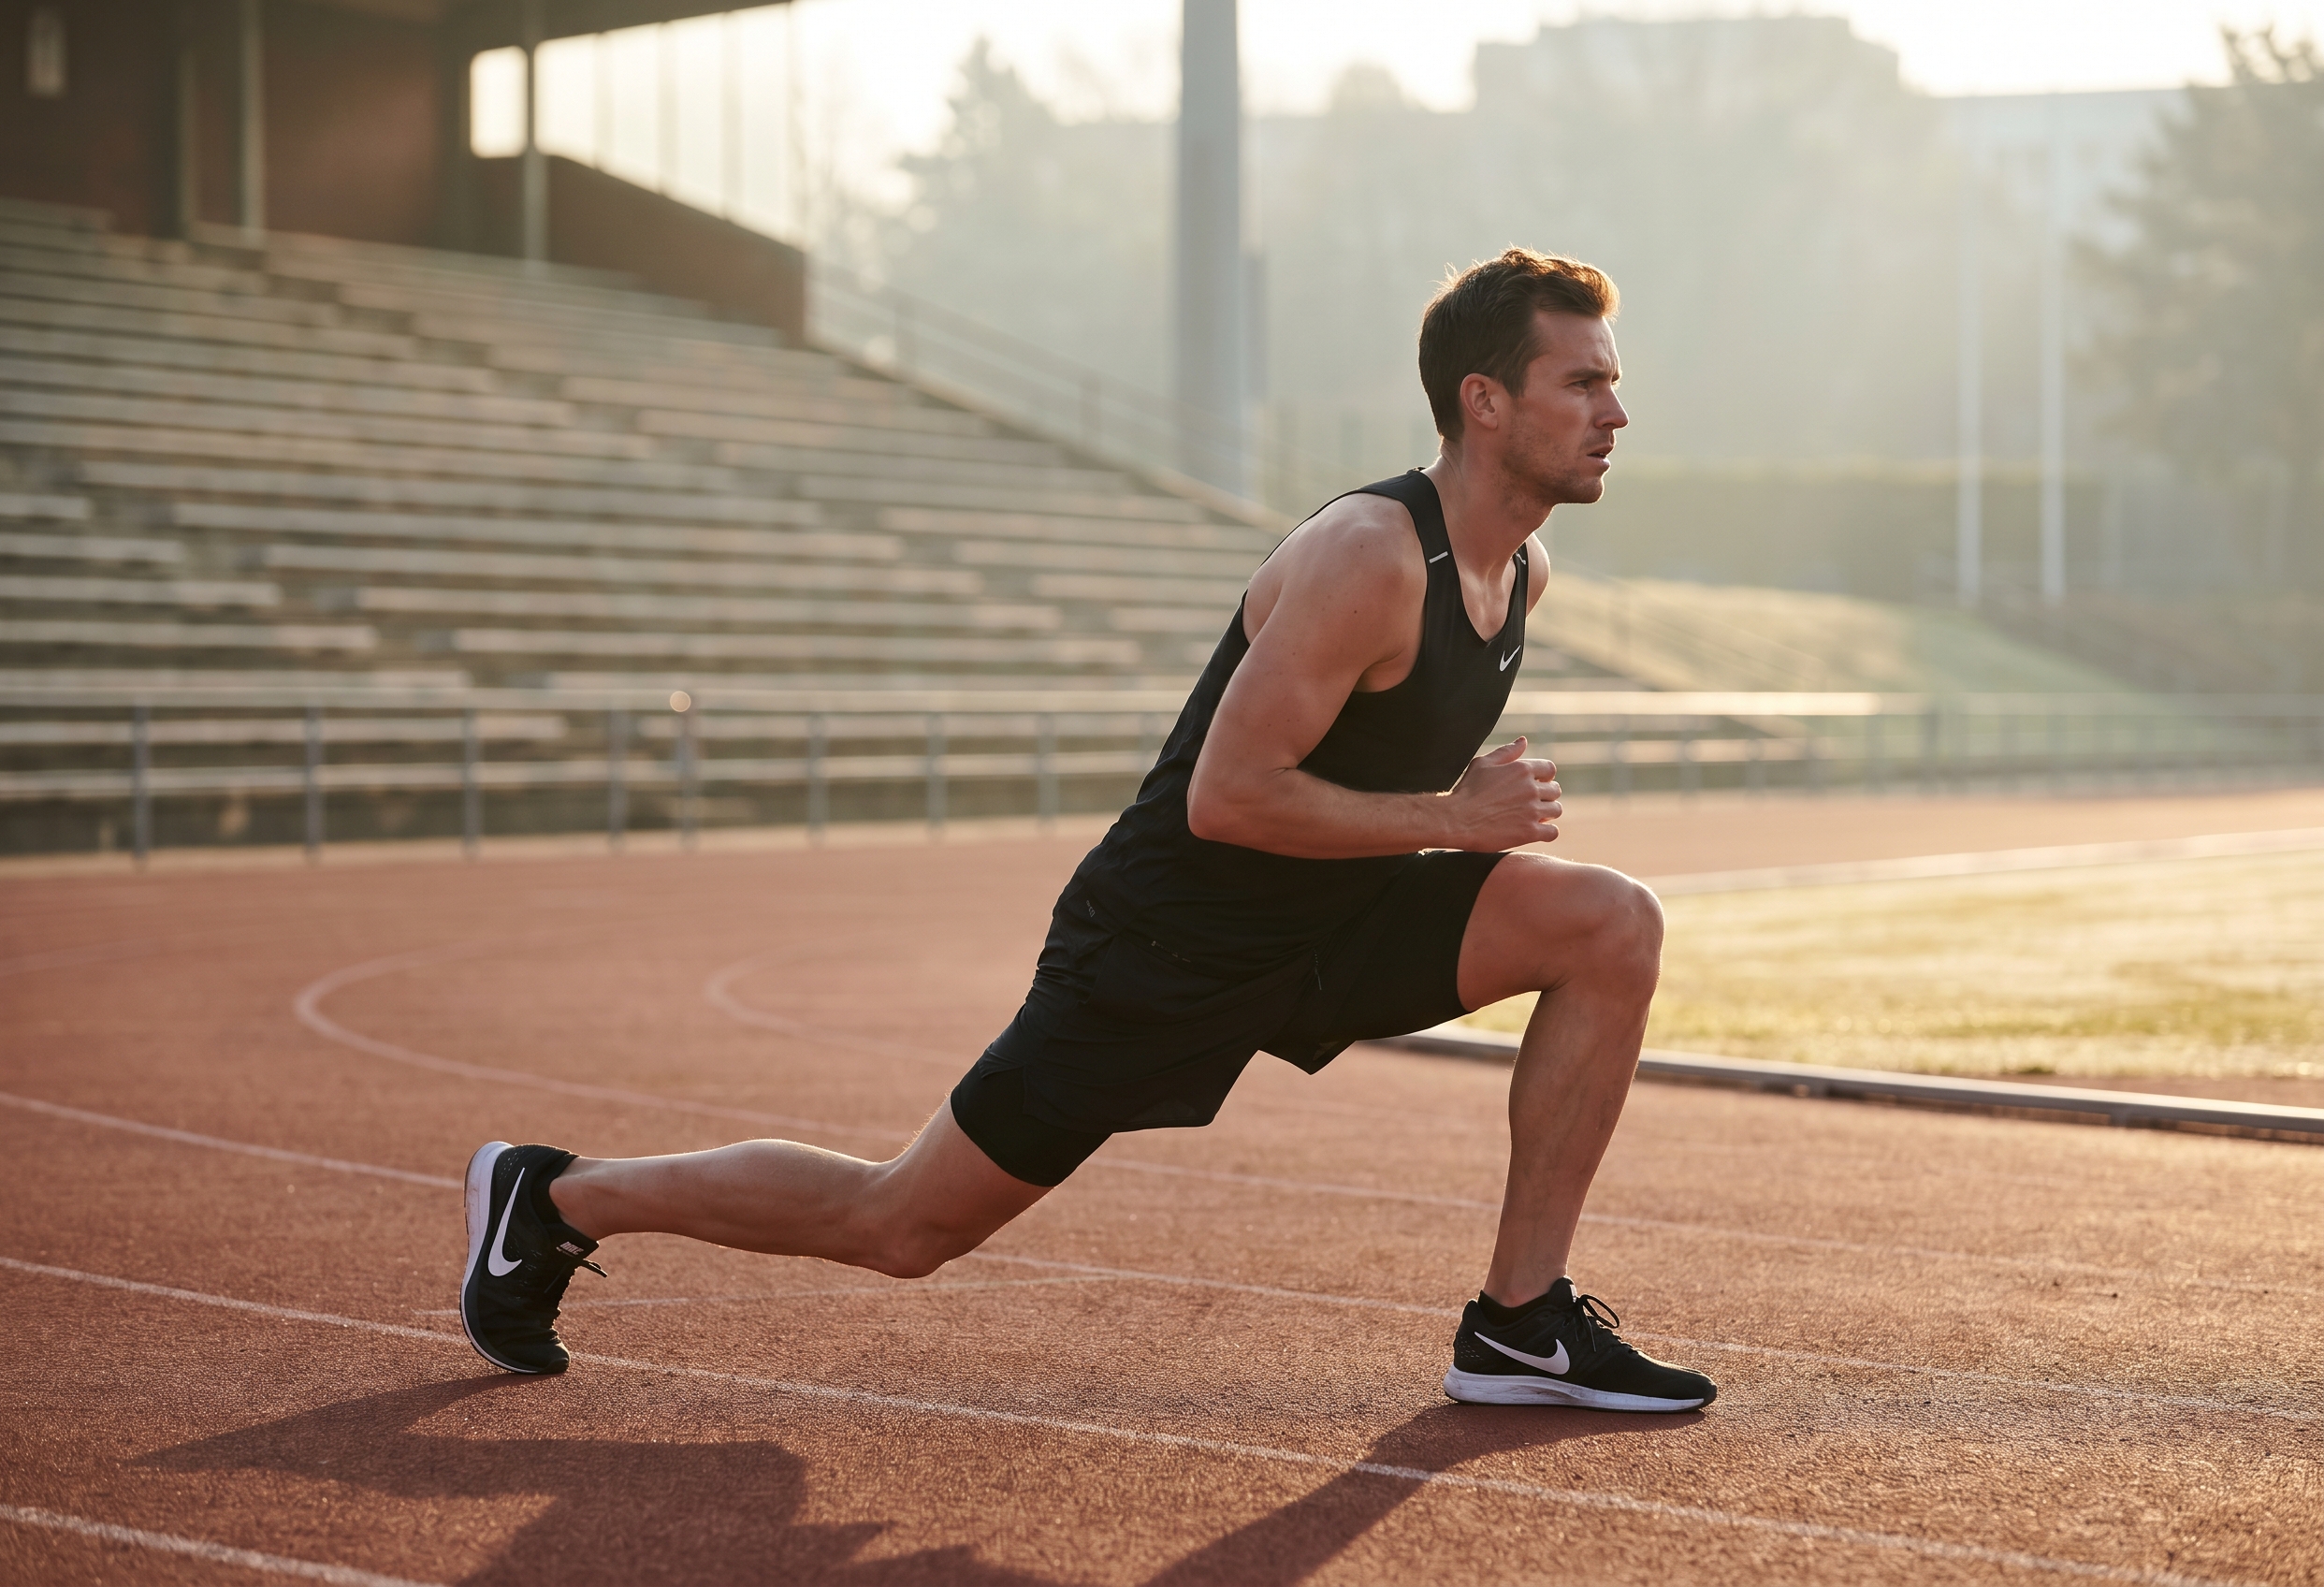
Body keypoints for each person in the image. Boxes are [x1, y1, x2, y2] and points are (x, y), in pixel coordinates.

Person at [459, 248, 1716, 1414]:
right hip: (1166, 946)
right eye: (1585, 382)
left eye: (1617, 384)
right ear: (1485, 402)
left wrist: (1441, 827)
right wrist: (1453, 815)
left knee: (1611, 924)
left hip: (1334, 921)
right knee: (904, 1227)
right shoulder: (1368, 556)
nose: (1614, 413)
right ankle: (557, 1195)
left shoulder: (1524, 575)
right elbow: (1226, 799)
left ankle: (1517, 1323)